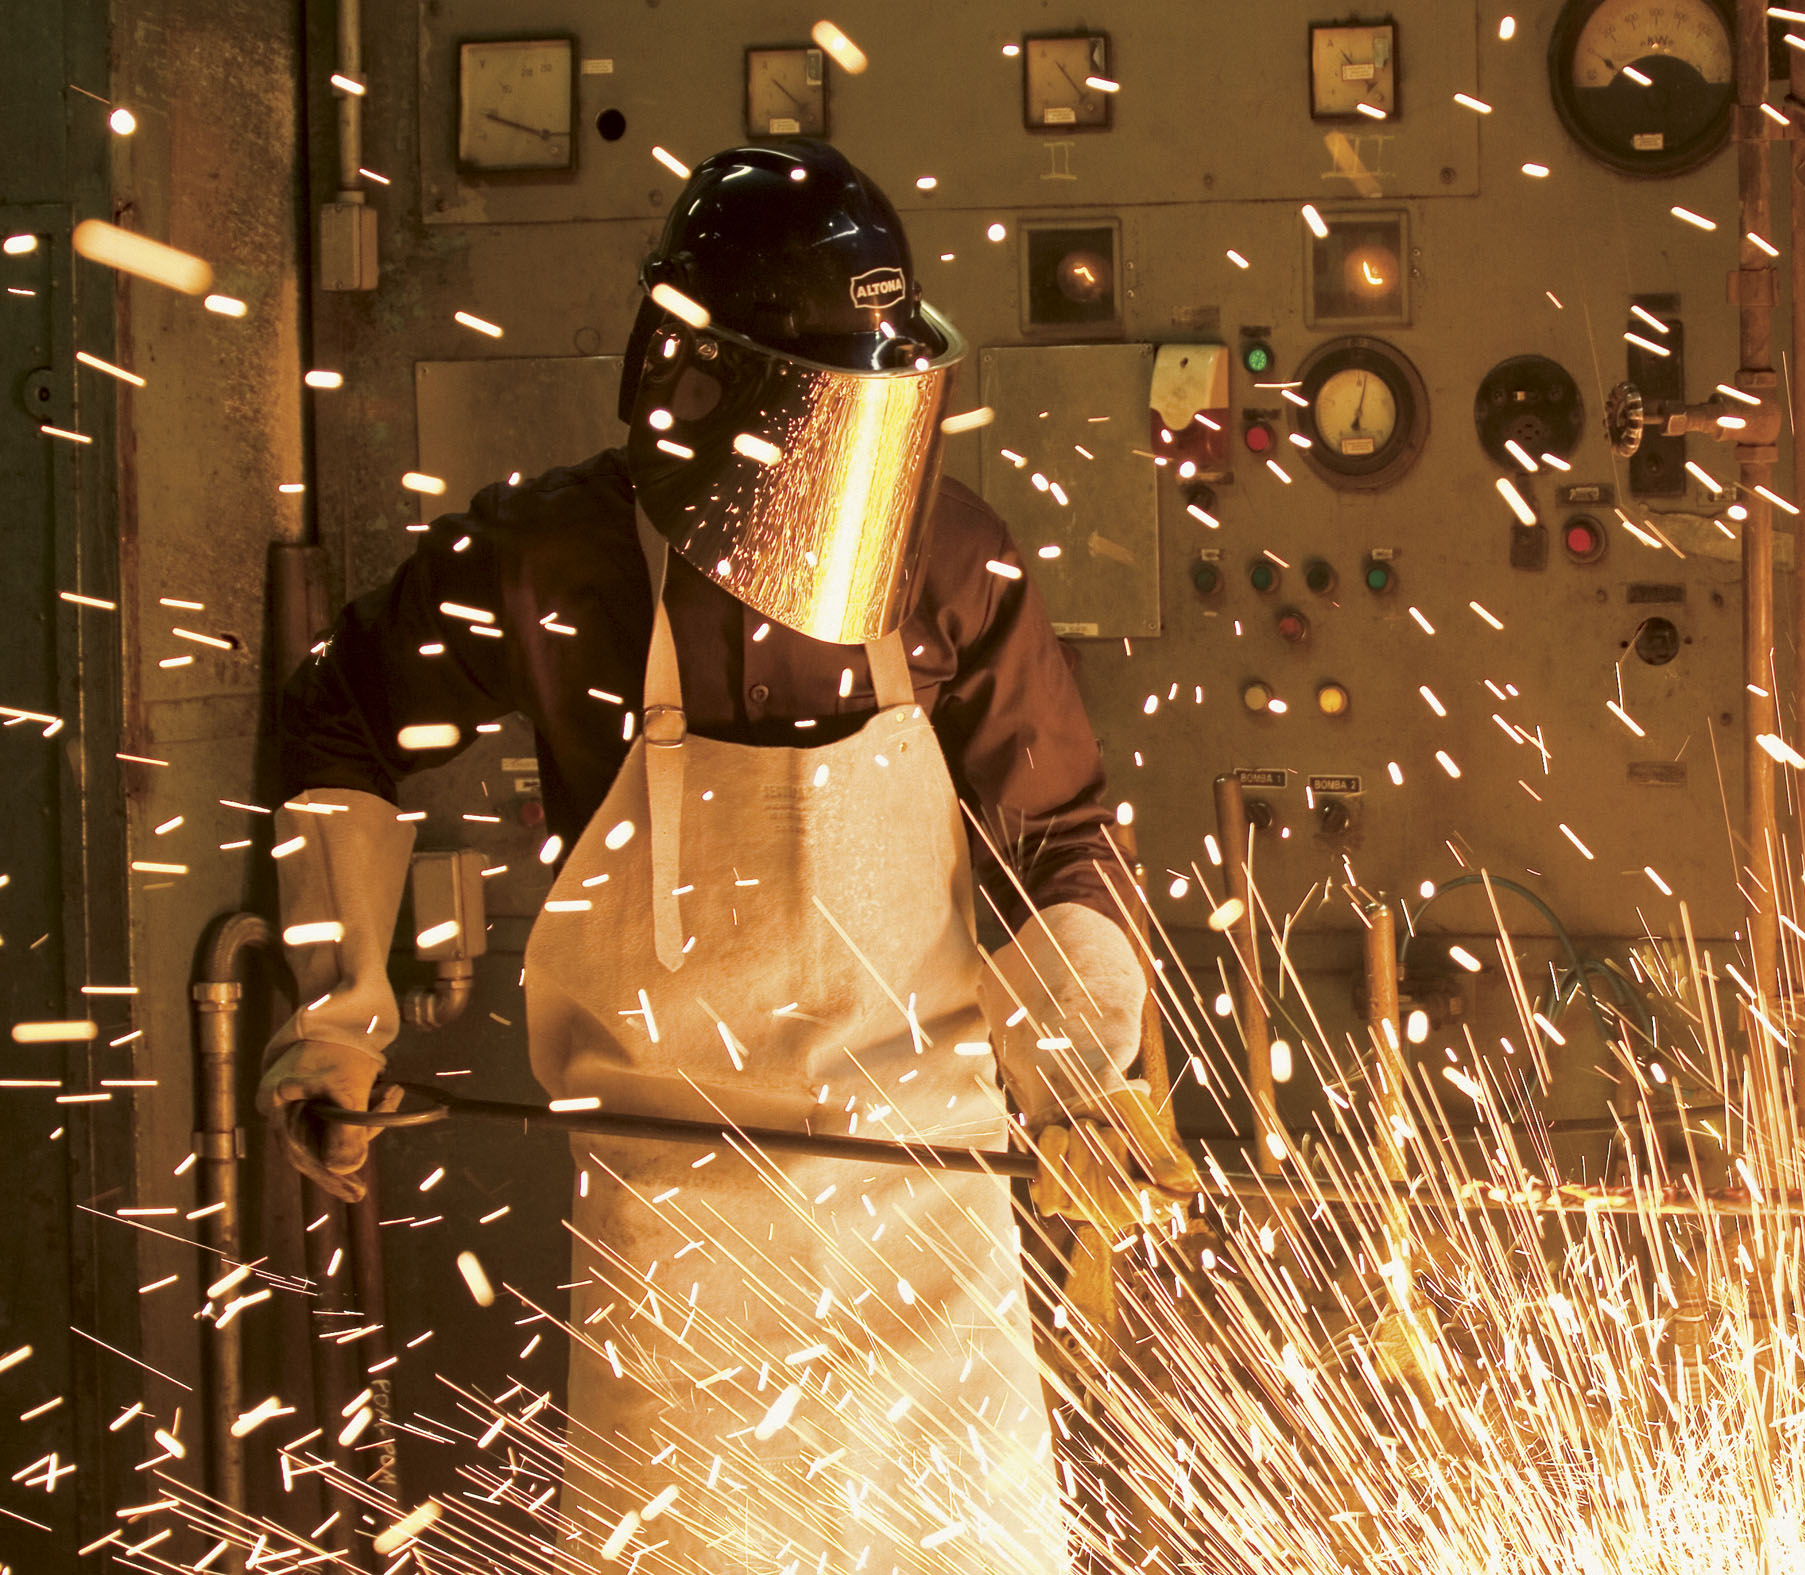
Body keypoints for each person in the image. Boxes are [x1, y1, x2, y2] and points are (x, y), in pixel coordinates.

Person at [255, 141, 1193, 1573]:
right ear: (693, 386)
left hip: (928, 1232)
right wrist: (335, 1013)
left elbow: (1058, 839)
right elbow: (340, 712)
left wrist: (1076, 1075)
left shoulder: (945, 554)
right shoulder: (556, 563)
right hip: (679, 1256)